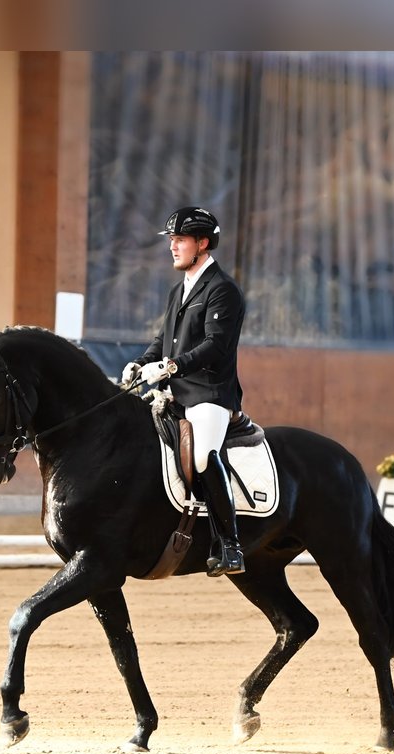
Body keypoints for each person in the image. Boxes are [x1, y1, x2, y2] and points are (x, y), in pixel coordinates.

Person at [121, 206, 246, 576]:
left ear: (202, 243)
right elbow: (164, 340)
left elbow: (215, 346)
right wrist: (142, 362)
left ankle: (230, 544)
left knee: (205, 456)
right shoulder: (181, 288)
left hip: (208, 393)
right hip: (174, 392)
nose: (172, 247)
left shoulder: (223, 290)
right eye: (171, 241)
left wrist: (172, 366)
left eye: (180, 240)